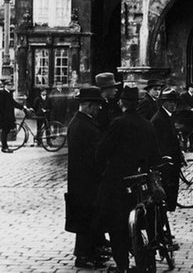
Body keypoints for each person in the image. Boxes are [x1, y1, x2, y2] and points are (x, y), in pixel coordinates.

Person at [95, 86, 160, 273]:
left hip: (118, 184)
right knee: (141, 222)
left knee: (116, 226)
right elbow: (155, 156)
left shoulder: (118, 123)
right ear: (138, 104)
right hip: (141, 184)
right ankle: (144, 257)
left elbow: (101, 152)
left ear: (122, 103)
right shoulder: (148, 125)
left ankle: (122, 266)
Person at [65, 86, 107, 269]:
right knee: (85, 220)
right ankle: (82, 256)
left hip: (83, 180)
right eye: (97, 105)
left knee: (90, 218)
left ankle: (91, 251)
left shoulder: (81, 122)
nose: (99, 109)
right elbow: (92, 155)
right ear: (89, 105)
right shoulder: (83, 125)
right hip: (85, 180)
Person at [150, 89, 185, 212]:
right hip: (166, 163)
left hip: (172, 161)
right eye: (171, 102)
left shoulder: (167, 116)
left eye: (175, 102)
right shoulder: (159, 119)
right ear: (164, 103)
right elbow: (159, 143)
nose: (174, 105)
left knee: (171, 191)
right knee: (167, 192)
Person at [0, 78, 26, 153]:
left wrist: (22, 107)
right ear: (5, 86)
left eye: (10, 85)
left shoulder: (9, 93)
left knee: (7, 130)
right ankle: (4, 147)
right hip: (5, 117)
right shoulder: (2, 94)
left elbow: (13, 103)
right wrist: (3, 114)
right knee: (4, 131)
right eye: (8, 85)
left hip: (9, 116)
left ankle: (5, 146)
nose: (10, 86)